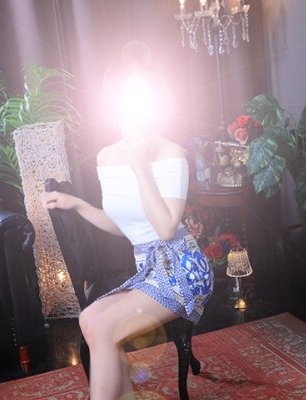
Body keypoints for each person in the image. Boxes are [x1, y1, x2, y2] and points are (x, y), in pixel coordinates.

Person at [42, 67, 214, 400]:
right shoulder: (106, 157)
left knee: (105, 327)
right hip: (147, 270)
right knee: (90, 319)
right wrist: (76, 204)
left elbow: (165, 228)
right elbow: (122, 226)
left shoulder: (170, 152)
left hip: (182, 268)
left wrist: (140, 168)